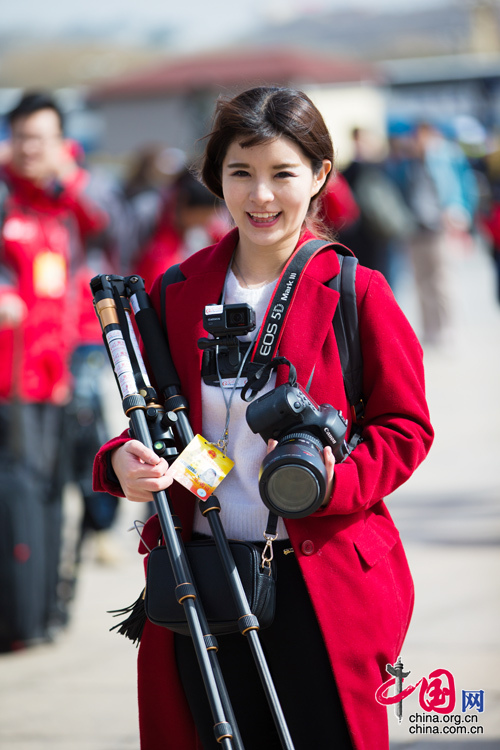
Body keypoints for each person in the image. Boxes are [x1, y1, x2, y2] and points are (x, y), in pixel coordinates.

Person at [93, 87, 434, 750]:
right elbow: (155, 424)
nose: (261, 196)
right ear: (215, 179)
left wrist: (335, 483)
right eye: (240, 174)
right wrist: (118, 463)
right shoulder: (178, 289)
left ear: (320, 177)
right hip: (203, 576)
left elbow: (406, 427)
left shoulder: (355, 291)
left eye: (282, 173)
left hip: (323, 583)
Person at [0, 91, 109, 649]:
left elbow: (109, 226)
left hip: (55, 377)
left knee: (53, 496)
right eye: (21, 137)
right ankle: (17, 619)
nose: (29, 149)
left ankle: (42, 615)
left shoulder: (62, 201)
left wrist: (70, 177)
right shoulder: (4, 196)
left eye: (41, 138)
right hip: (7, 385)